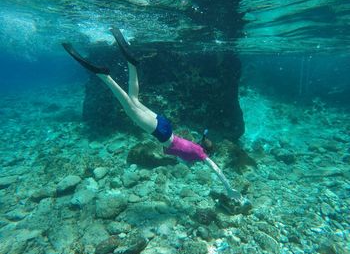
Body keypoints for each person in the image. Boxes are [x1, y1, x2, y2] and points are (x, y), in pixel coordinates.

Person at [62, 27, 244, 202]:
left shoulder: (197, 148)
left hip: (165, 125)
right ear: (207, 153)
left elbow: (193, 148)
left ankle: (131, 64)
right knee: (129, 107)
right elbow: (216, 169)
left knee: (134, 99)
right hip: (161, 133)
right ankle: (104, 76)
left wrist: (201, 144)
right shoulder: (200, 154)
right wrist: (228, 188)